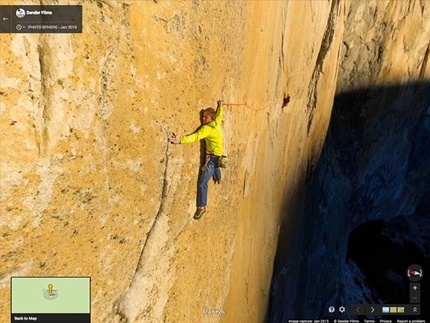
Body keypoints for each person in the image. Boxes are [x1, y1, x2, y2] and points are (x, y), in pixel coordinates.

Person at [168, 100, 224, 219]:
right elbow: (220, 115)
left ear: (211, 118)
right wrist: (221, 106)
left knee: (202, 183)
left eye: (206, 117)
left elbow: (196, 136)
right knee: (216, 167)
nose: (203, 119)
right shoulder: (217, 123)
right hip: (219, 157)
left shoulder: (207, 129)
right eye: (203, 117)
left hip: (212, 159)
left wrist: (180, 140)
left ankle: (201, 207)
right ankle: (218, 177)